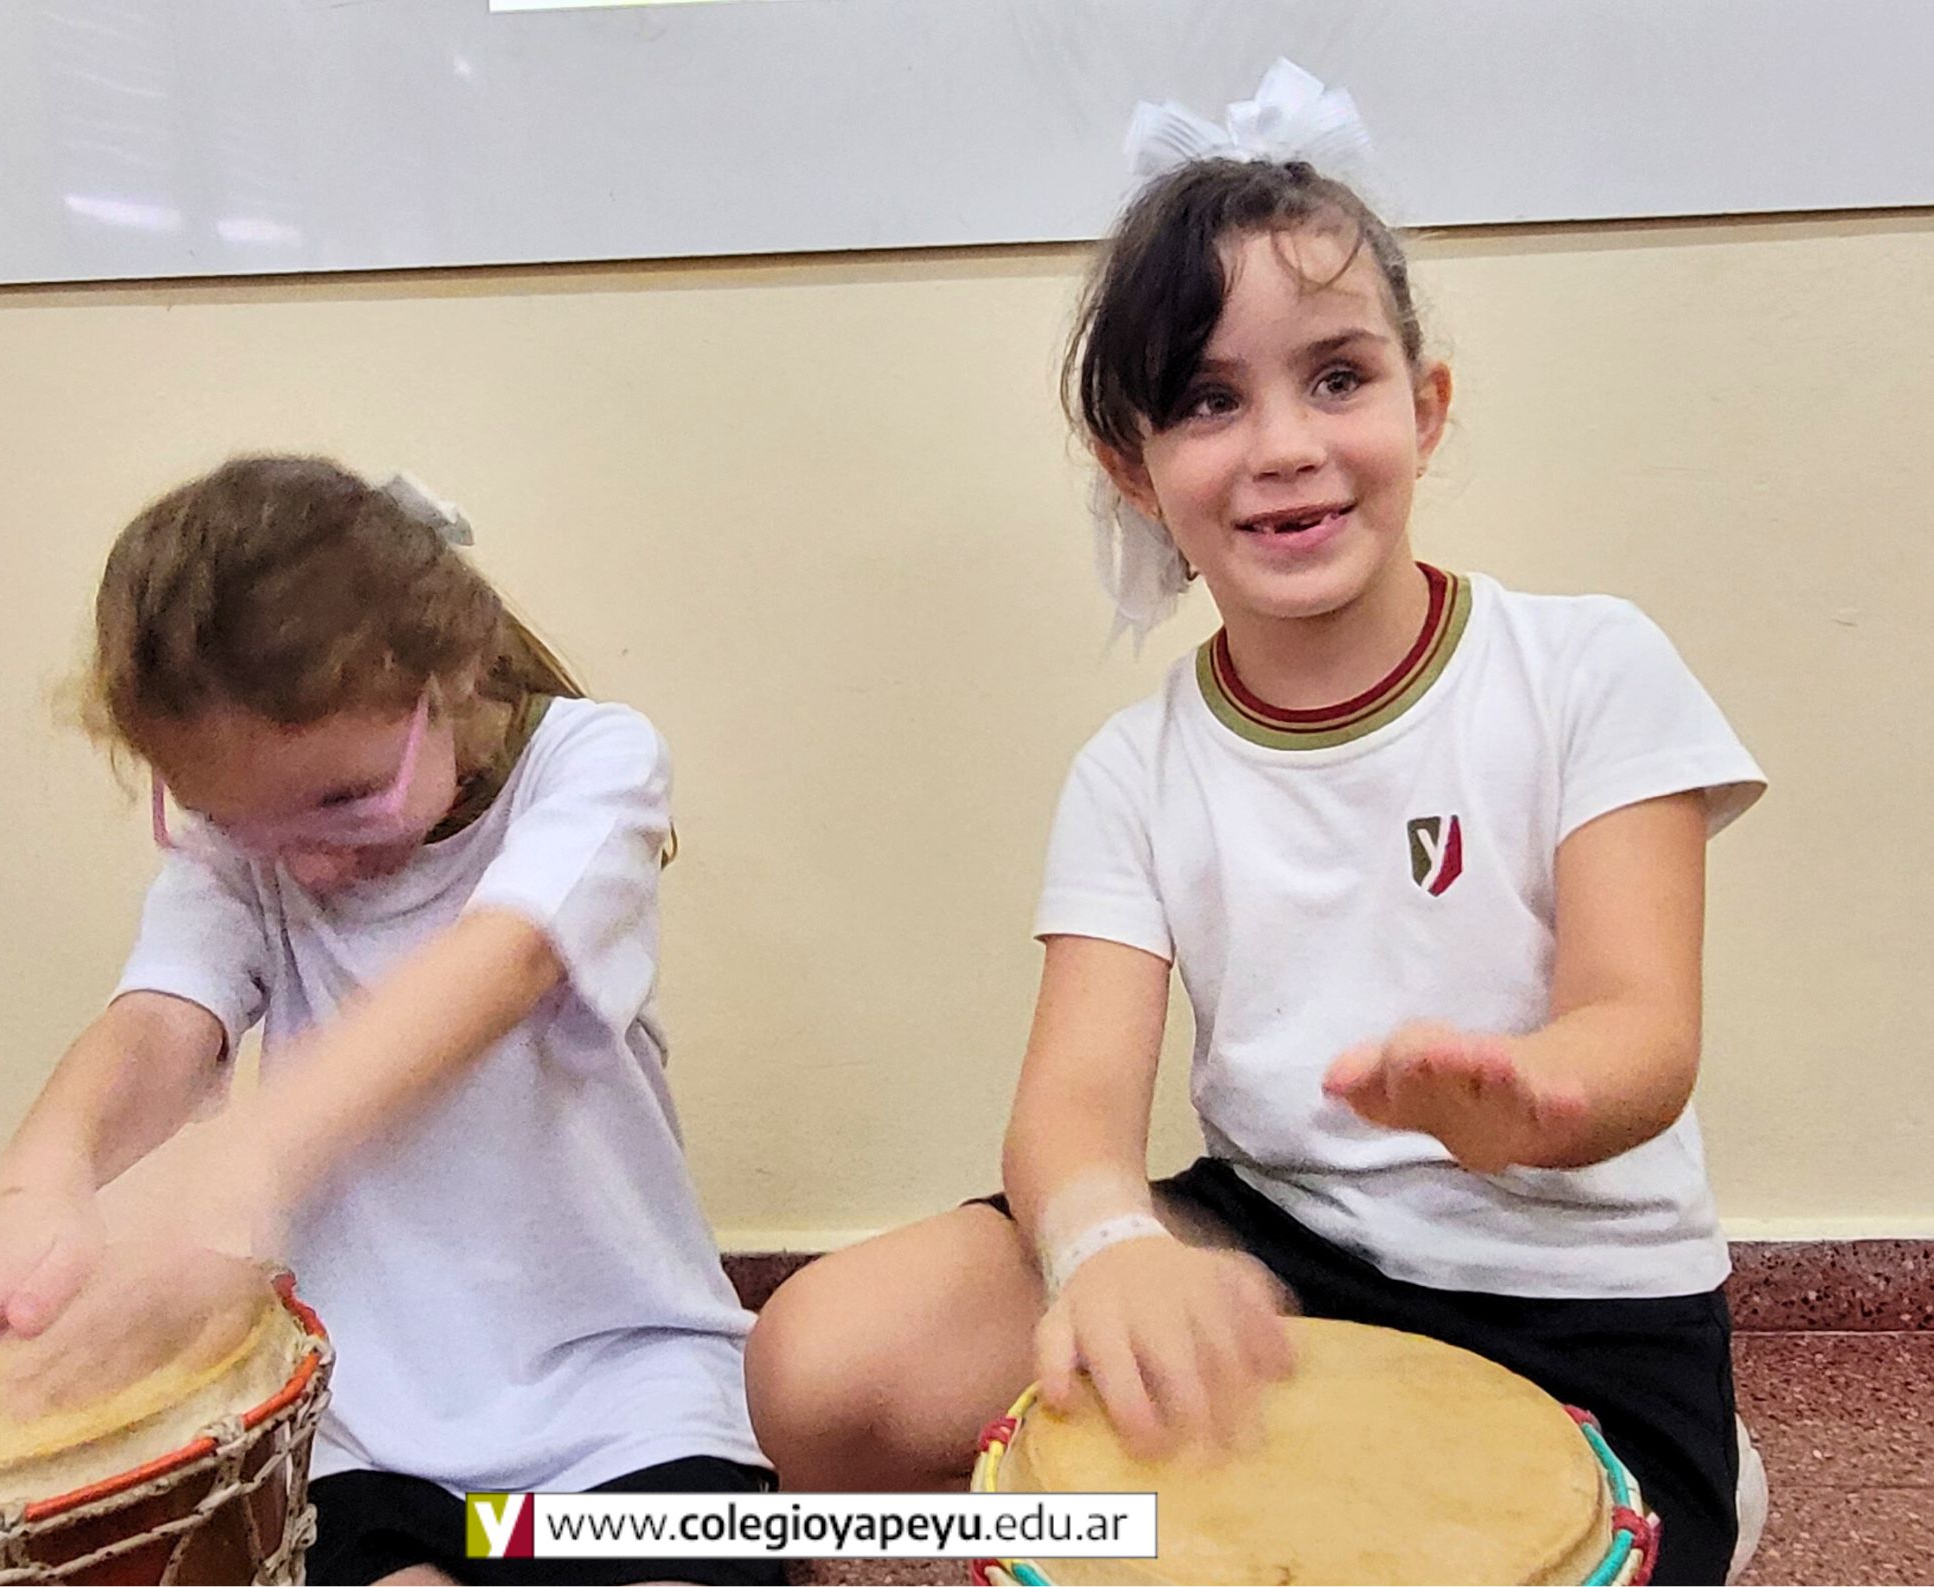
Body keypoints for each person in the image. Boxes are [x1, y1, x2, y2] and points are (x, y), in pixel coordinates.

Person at [746, 67, 1763, 1586]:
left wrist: (1533, 1101)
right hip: (1273, 1253)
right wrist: (1109, 1248)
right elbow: (1071, 1105)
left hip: (1577, 1301)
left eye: (1336, 377)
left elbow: (1641, 1024)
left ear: (1424, 406)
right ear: (1134, 468)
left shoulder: (1588, 665)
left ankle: (1701, 1481)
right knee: (816, 1361)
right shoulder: (1133, 769)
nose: (1282, 443)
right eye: (1209, 400)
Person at [0, 455, 781, 1587]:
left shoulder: (592, 763)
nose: (308, 863)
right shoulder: (245, 855)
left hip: (628, 1405)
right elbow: (159, 1024)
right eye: (234, 821)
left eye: (345, 799)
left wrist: (242, 1161)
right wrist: (32, 1183)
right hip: (359, 1426)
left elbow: (503, 959)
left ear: (450, 677)